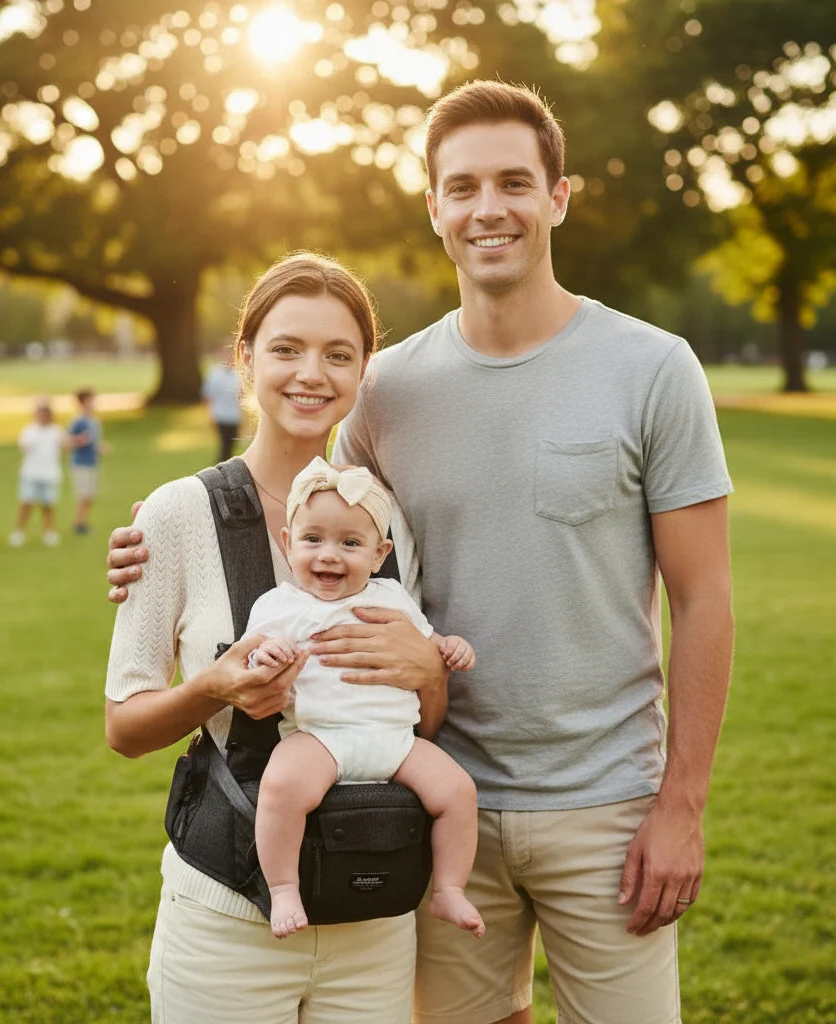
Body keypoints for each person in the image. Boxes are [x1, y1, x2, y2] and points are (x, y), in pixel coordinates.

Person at [107, 80, 734, 1024]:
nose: (491, 208)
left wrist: (681, 805)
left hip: (606, 806)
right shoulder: (387, 394)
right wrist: (152, 538)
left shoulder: (653, 367)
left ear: (558, 197)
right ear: (434, 206)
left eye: (515, 182)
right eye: (465, 186)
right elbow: (309, 523)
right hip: (430, 802)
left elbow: (707, 597)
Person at [104, 253, 449, 1023]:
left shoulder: (384, 523)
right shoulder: (174, 515)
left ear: (364, 372)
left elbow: (421, 723)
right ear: (246, 357)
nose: (310, 374)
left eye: (338, 355)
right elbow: (124, 728)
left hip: (374, 912)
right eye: (286, 348)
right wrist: (210, 689)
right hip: (226, 917)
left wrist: (430, 671)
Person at [247, 456, 483, 940]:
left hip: (395, 739)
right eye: (312, 540)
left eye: (350, 543)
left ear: (379, 554)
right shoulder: (279, 607)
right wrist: (266, 656)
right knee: (280, 789)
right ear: (288, 544)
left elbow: (428, 645)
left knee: (458, 792)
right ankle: (285, 887)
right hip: (319, 738)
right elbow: (249, 661)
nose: (329, 555)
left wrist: (450, 647)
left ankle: (449, 889)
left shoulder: (392, 596)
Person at [8, 399, 65, 547]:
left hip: (50, 473)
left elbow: (63, 449)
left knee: (48, 505)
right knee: (26, 503)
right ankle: (18, 532)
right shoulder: (29, 430)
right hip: (31, 473)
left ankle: (49, 532)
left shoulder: (56, 431)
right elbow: (24, 446)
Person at [67, 388, 106, 535]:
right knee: (83, 494)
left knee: (91, 495)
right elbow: (68, 441)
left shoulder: (94, 422)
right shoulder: (78, 422)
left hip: (92, 462)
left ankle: (83, 522)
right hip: (81, 463)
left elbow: (94, 442)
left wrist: (100, 448)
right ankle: (79, 524)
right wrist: (79, 440)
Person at [201, 342, 243, 462]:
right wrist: (210, 415)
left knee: (230, 445)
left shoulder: (238, 374)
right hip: (220, 415)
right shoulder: (214, 373)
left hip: (234, 416)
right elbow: (208, 395)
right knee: (224, 445)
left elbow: (241, 396)